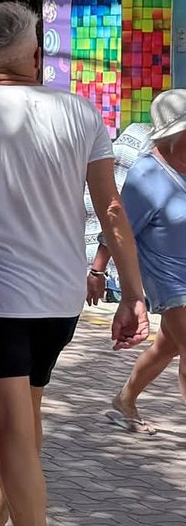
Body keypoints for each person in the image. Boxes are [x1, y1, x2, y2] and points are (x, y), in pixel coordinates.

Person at [0, 3, 149, 526]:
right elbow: (110, 209)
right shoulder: (81, 111)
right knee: (25, 415)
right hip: (60, 300)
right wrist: (132, 291)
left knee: (11, 431)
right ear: (36, 56)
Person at [101, 88, 186, 433]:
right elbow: (118, 226)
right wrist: (96, 270)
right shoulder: (147, 176)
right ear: (169, 137)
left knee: (167, 346)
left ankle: (125, 399)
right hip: (168, 280)